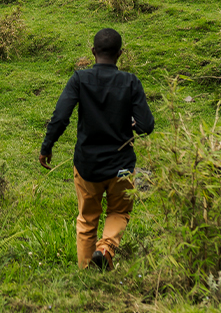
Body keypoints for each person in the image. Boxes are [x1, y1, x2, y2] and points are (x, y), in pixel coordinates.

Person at [38, 28, 154, 270]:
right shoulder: (130, 82)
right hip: (122, 167)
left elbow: (60, 117)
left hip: (87, 166)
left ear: (93, 51)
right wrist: (130, 123)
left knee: (87, 219)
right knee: (119, 212)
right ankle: (105, 249)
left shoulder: (79, 79)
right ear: (120, 54)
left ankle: (85, 272)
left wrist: (47, 146)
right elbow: (146, 126)